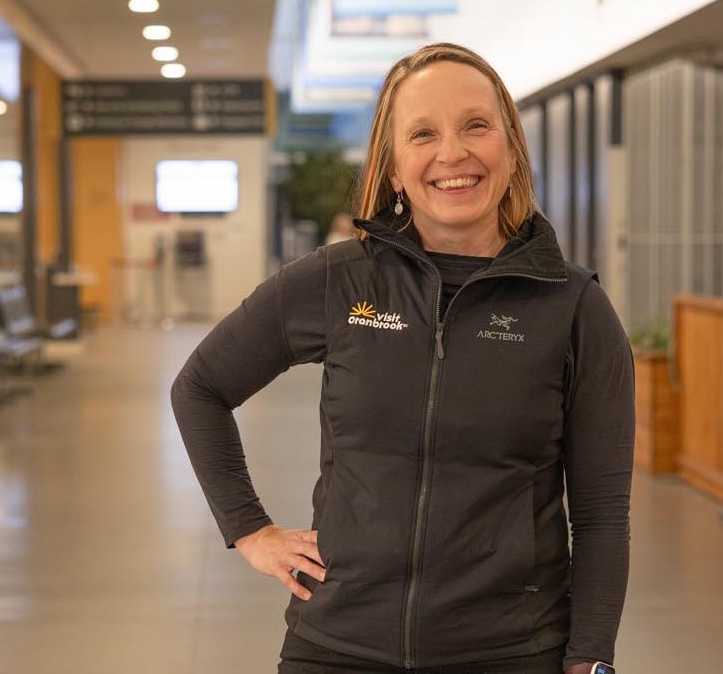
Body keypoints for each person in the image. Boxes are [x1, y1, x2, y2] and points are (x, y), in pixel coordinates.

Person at [171, 42, 634, 674]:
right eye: (422, 133)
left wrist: (591, 659)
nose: (453, 153)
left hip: (510, 650)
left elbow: (602, 514)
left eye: (476, 125)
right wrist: (249, 529)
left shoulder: (574, 306)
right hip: (338, 644)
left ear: (510, 147)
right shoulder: (337, 281)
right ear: (393, 168)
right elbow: (200, 386)